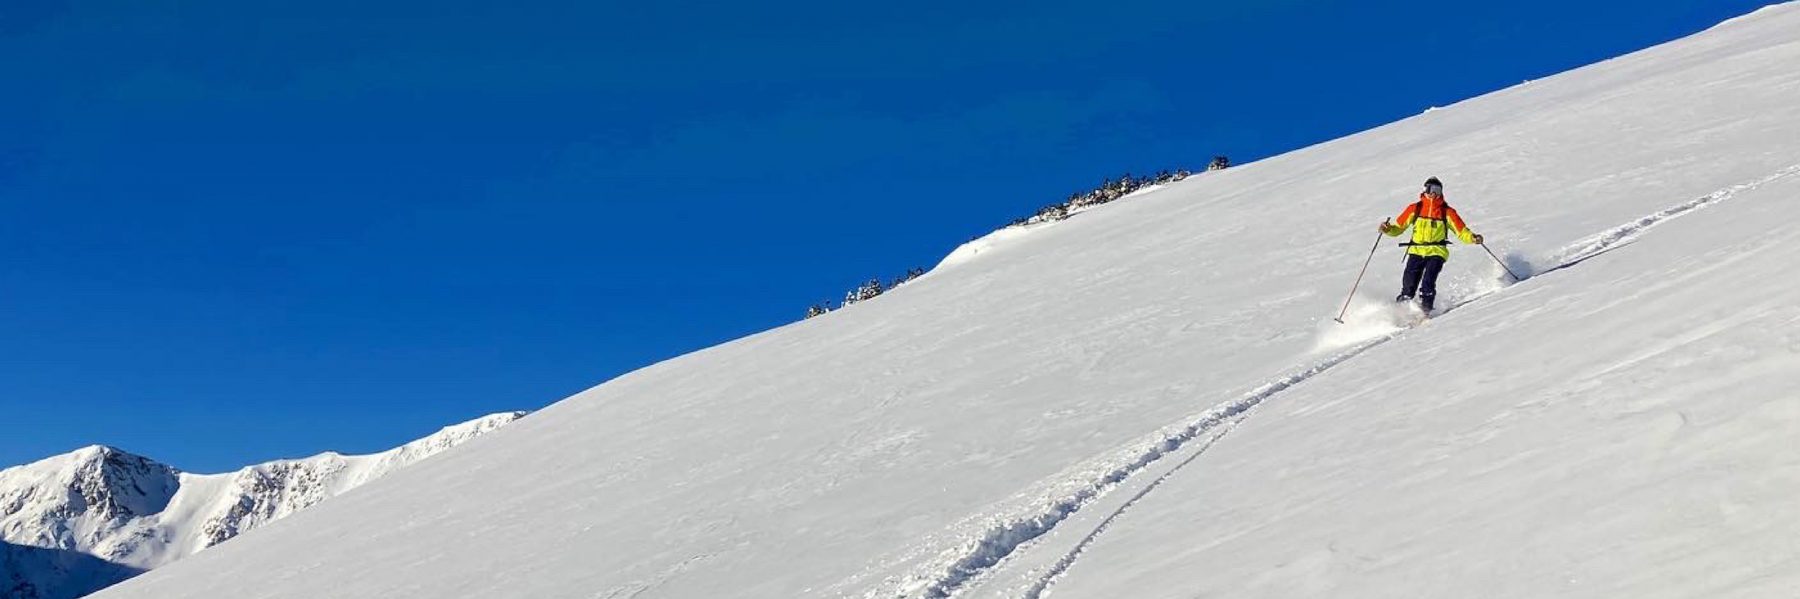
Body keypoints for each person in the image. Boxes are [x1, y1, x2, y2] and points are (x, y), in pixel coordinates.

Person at [1379, 177, 1484, 313]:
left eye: (1436, 189)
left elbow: (1461, 231)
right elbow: (1398, 228)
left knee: (1428, 281)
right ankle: (1401, 312)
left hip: (1436, 251)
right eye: (1429, 189)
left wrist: (1473, 238)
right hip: (1416, 250)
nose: (1432, 193)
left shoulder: (1447, 212)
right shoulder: (1415, 208)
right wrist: (1387, 229)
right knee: (1408, 284)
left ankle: (1425, 311)